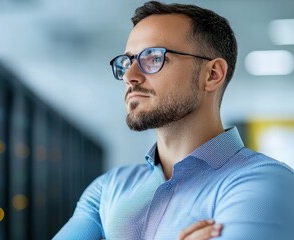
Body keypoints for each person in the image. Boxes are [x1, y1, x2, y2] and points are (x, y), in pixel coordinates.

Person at [54, 1, 294, 239]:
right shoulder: (108, 188)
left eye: (154, 58)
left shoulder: (267, 183)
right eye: (127, 62)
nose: (130, 76)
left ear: (212, 74)